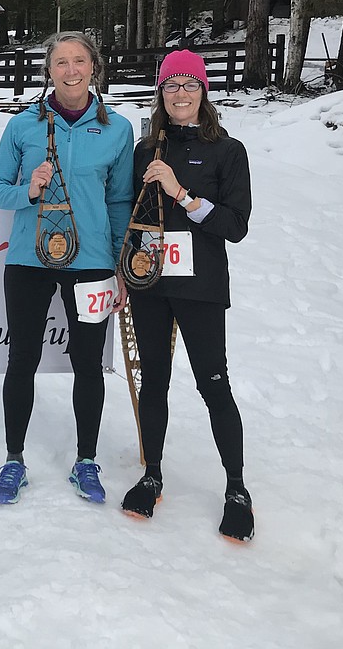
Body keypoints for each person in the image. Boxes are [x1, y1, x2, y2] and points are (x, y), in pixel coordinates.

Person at [0, 31, 134, 505]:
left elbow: (119, 200)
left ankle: (86, 460)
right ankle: (14, 459)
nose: (71, 70)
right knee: (22, 360)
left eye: (79, 61)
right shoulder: (23, 125)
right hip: (29, 261)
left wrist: (116, 267)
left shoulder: (117, 129)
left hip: (90, 263)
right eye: (61, 62)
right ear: (48, 71)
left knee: (87, 364)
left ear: (94, 67)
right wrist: (29, 189)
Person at [119, 49, 255, 541]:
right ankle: (152, 473)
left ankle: (237, 489)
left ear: (204, 92)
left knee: (213, 383)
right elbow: (128, 219)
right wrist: (122, 272)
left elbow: (235, 227)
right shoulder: (143, 151)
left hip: (200, 288)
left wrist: (182, 194)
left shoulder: (227, 151)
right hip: (149, 284)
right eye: (171, 84)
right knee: (154, 380)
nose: (180, 92)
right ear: (160, 92)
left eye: (190, 84)